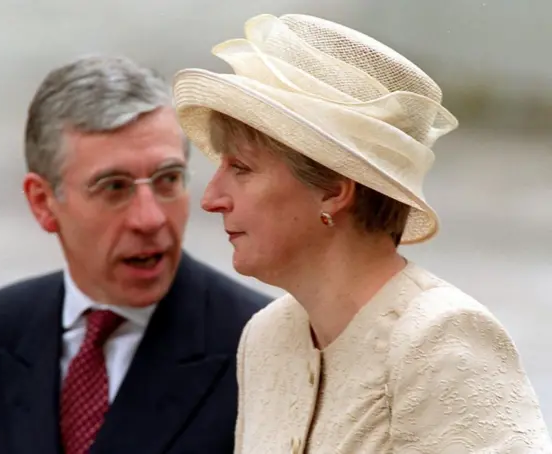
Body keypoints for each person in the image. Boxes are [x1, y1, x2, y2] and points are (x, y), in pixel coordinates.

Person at [172, 13, 552, 453]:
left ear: (334, 190)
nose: (211, 198)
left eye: (241, 168)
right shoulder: (265, 337)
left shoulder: (439, 338)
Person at [0, 55, 269, 454]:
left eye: (168, 179)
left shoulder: (259, 346)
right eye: (114, 187)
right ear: (42, 202)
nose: (150, 218)